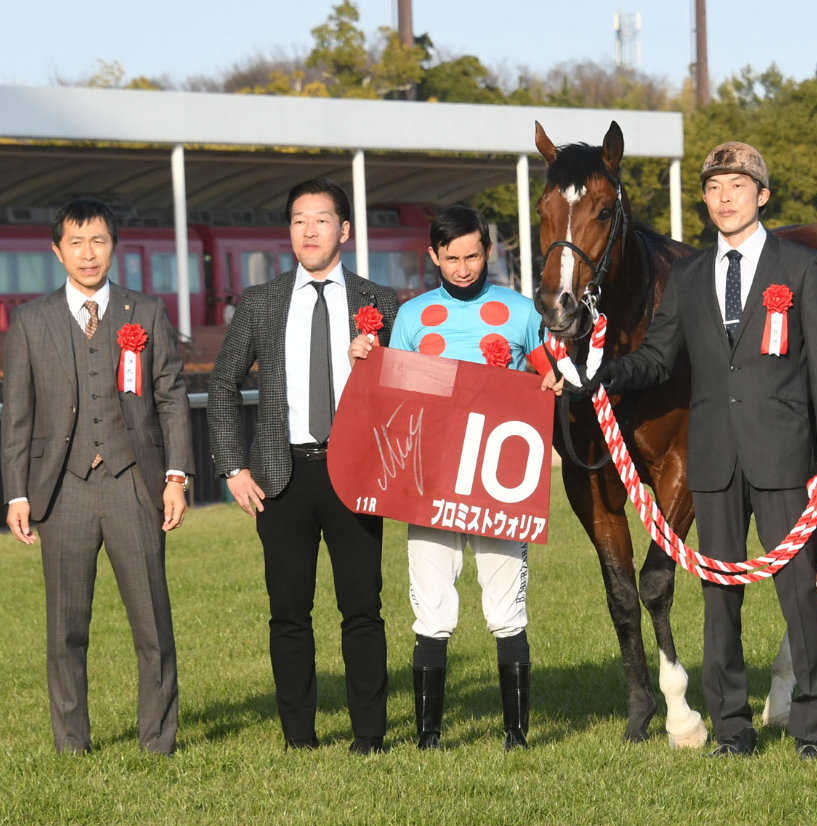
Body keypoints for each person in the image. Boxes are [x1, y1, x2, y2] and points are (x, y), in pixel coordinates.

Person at [545, 143, 817, 760]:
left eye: (737, 187)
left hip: (784, 454)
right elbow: (659, 358)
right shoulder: (688, 275)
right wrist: (600, 376)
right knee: (719, 601)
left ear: (761, 196)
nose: (724, 199)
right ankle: (733, 728)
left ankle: (812, 728)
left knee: (797, 593)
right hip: (712, 456)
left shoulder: (800, 267)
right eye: (713, 189)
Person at [207, 178, 399, 755]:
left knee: (362, 608)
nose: (308, 231)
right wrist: (232, 467)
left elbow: (410, 390)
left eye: (321, 220)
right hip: (280, 474)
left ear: (344, 230)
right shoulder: (262, 302)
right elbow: (221, 385)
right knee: (288, 613)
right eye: (298, 220)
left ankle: (370, 736)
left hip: (356, 474)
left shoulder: (382, 303)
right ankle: (300, 737)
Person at [2, 198, 192, 755]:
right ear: (57, 249)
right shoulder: (32, 321)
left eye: (99, 241)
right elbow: (17, 413)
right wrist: (16, 492)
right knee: (65, 629)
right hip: (62, 492)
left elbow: (172, 400)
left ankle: (158, 741)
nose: (89, 254)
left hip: (135, 485)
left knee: (152, 624)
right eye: (77, 243)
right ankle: (71, 744)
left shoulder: (146, 311)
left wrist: (175, 477)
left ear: (114, 245)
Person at [349, 205, 542, 750]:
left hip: (499, 483)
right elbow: (393, 397)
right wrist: (365, 357)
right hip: (430, 481)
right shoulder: (411, 318)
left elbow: (549, 374)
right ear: (433, 256)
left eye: (473, 256)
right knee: (432, 604)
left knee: (506, 604)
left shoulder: (521, 311)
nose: (463, 268)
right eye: (451, 257)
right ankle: (429, 738)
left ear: (488, 252)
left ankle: (515, 735)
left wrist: (552, 377)